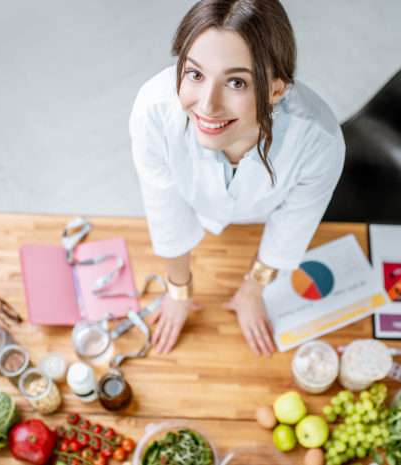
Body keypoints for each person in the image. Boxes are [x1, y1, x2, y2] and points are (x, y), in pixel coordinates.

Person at [129, 0, 345, 357]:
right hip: (197, 209)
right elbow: (166, 211)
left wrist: (252, 290)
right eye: (195, 74)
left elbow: (291, 228)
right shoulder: (153, 113)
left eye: (236, 82)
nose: (207, 105)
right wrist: (178, 291)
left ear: (276, 90)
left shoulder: (318, 142)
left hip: (262, 215)